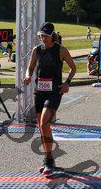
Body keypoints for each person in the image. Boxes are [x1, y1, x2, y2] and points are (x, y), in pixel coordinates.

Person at [23, 22, 76, 177]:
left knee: (44, 123)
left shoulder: (61, 50)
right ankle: (48, 159)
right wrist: (28, 76)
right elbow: (30, 68)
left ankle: (48, 160)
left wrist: (67, 83)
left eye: (46, 36)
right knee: (42, 127)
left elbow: (73, 67)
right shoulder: (37, 50)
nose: (43, 38)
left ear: (52, 36)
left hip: (54, 92)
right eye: (41, 35)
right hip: (39, 92)